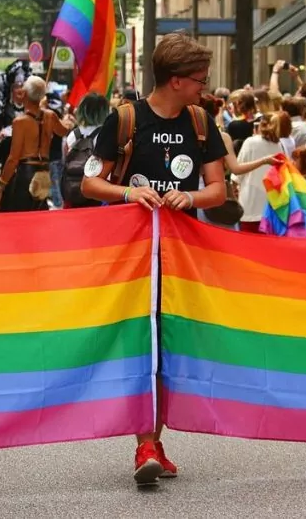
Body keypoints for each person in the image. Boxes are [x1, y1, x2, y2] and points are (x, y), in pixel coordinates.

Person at [81, 32, 227, 486]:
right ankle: (146, 442)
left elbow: (218, 191)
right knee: (139, 344)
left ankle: (153, 442)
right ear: (176, 80)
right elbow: (90, 184)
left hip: (183, 258)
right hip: (131, 255)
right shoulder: (124, 119)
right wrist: (128, 192)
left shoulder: (202, 122)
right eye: (200, 80)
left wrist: (189, 195)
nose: (206, 87)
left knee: (165, 350)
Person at [0, 76, 66, 213]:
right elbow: (63, 131)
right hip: (44, 172)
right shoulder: (51, 116)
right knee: (39, 217)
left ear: (24, 94)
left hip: (26, 173)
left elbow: (13, 158)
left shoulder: (20, 122)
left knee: (21, 219)